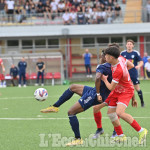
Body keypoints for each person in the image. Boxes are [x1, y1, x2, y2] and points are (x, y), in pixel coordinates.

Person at [40, 49, 113, 146]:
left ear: (106, 57)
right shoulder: (114, 66)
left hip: (95, 94)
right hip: (95, 91)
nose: (100, 58)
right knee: (73, 87)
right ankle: (55, 106)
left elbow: (98, 78)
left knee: (71, 112)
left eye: (102, 56)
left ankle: (78, 139)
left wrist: (98, 94)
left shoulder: (103, 66)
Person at [101, 46, 148, 144]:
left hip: (126, 91)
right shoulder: (121, 58)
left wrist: (105, 79)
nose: (105, 57)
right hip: (118, 90)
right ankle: (121, 135)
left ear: (112, 57)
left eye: (106, 55)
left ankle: (141, 130)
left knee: (119, 113)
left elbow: (110, 88)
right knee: (111, 113)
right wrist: (124, 77)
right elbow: (130, 65)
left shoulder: (118, 69)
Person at [121, 39, 145, 107]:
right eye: (128, 44)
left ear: (133, 46)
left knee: (137, 88)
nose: (129, 45)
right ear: (126, 45)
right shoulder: (122, 53)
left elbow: (141, 61)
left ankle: (142, 102)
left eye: (130, 44)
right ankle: (124, 103)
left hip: (133, 73)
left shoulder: (135, 53)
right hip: (125, 74)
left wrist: (138, 66)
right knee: (124, 89)